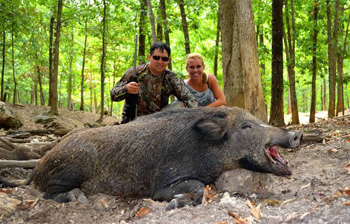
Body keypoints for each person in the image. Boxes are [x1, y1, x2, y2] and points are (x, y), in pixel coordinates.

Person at [111, 42, 198, 123]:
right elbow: (113, 95)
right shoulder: (135, 72)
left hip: (158, 123)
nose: (160, 62)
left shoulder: (172, 78)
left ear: (168, 60)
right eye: (156, 57)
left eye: (164, 58)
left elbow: (191, 100)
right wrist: (126, 89)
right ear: (149, 57)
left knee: (179, 104)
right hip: (133, 121)